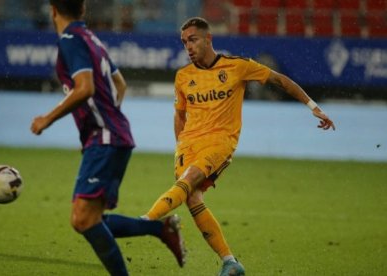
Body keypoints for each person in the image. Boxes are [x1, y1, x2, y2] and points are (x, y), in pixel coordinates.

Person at [142, 17, 335, 276]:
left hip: (219, 143)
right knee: (192, 197)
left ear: (208, 39)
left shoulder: (237, 67)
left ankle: (144, 222)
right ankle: (230, 262)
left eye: (193, 39)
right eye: (184, 42)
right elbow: (179, 114)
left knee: (189, 181)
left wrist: (314, 107)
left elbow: (279, 80)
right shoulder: (183, 76)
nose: (188, 46)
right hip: (188, 145)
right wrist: (180, 147)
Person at [30, 1, 185, 275]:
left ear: (53, 10)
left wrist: (47, 118)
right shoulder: (91, 39)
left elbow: (85, 88)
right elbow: (120, 83)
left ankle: (158, 230)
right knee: (90, 219)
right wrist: (109, 121)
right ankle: (160, 228)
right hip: (111, 136)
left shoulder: (70, 40)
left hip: (105, 138)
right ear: (82, 10)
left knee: (83, 219)